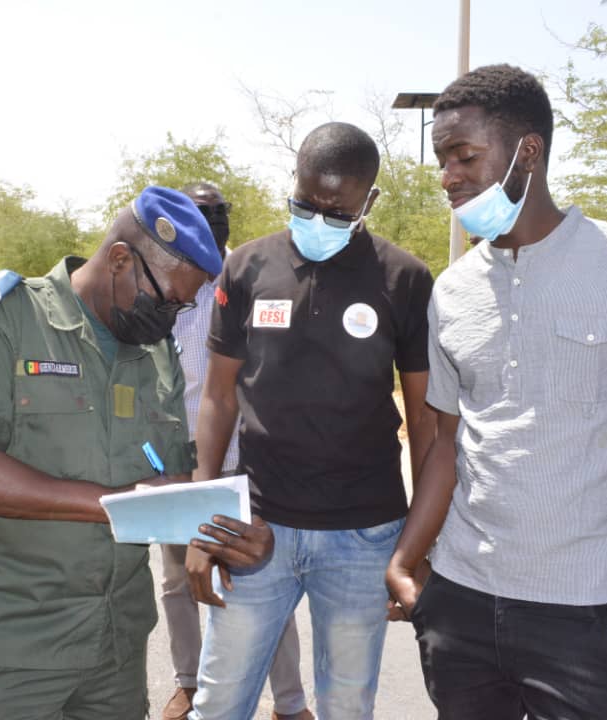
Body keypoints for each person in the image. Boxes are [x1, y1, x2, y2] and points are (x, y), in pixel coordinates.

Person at [385, 64, 607, 720]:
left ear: (528, 152)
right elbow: (449, 444)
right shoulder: (453, 293)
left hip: (585, 615)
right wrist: (406, 561)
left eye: (464, 156)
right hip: (459, 605)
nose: (448, 176)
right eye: (441, 161)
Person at [0, 186, 274, 720]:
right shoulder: (2, 322)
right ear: (119, 260)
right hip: (16, 645)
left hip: (116, 646)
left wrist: (230, 532)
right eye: (166, 303)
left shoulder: (155, 352)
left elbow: (172, 483)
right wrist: (116, 503)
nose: (173, 319)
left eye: (184, 307)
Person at [186, 123, 437, 720]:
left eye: (338, 209)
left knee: (347, 706)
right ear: (292, 185)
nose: (319, 218)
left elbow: (426, 422)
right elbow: (218, 399)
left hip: (363, 533)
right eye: (306, 203)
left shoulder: (404, 279)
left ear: (369, 201)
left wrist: (419, 546)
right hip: (256, 529)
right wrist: (205, 518)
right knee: (218, 701)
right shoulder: (245, 268)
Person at [159, 183, 312, 720]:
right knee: (179, 580)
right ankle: (189, 683)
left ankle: (290, 704)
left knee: (260, 579)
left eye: (219, 212)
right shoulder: (164, 286)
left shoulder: (249, 279)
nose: (211, 221)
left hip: (246, 466)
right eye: (200, 213)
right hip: (183, 464)